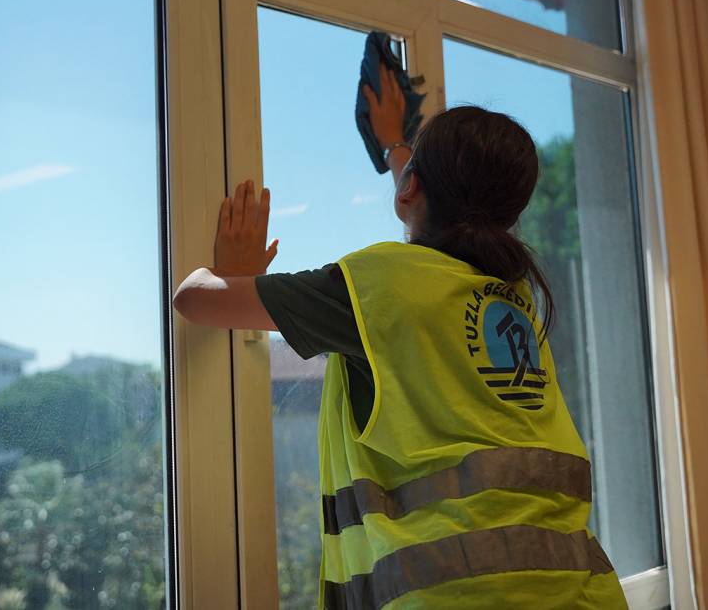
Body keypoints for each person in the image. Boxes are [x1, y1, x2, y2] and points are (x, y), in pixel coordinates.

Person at [173, 64, 628, 609]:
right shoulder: (513, 295)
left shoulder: (380, 285)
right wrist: (394, 143)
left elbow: (193, 299)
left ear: (412, 187)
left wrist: (237, 272)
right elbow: (451, 215)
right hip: (583, 593)